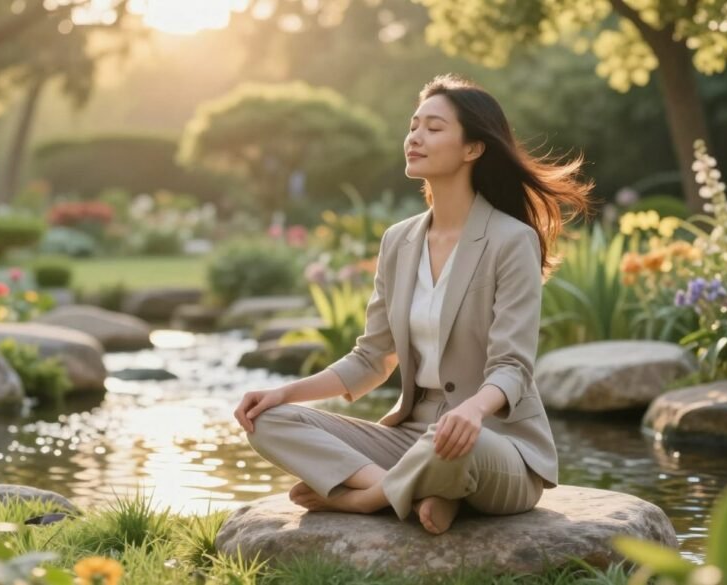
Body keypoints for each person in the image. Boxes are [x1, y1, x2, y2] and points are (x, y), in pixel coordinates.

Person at [233, 73, 594, 535]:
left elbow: (512, 368)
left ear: (473, 149)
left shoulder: (511, 240)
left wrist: (473, 411)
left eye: (434, 127)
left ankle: (366, 500)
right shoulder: (398, 241)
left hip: (495, 444)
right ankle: (416, 492)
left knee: (456, 444)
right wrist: (283, 393)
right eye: (413, 125)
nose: (415, 137)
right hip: (412, 439)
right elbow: (371, 359)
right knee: (268, 421)